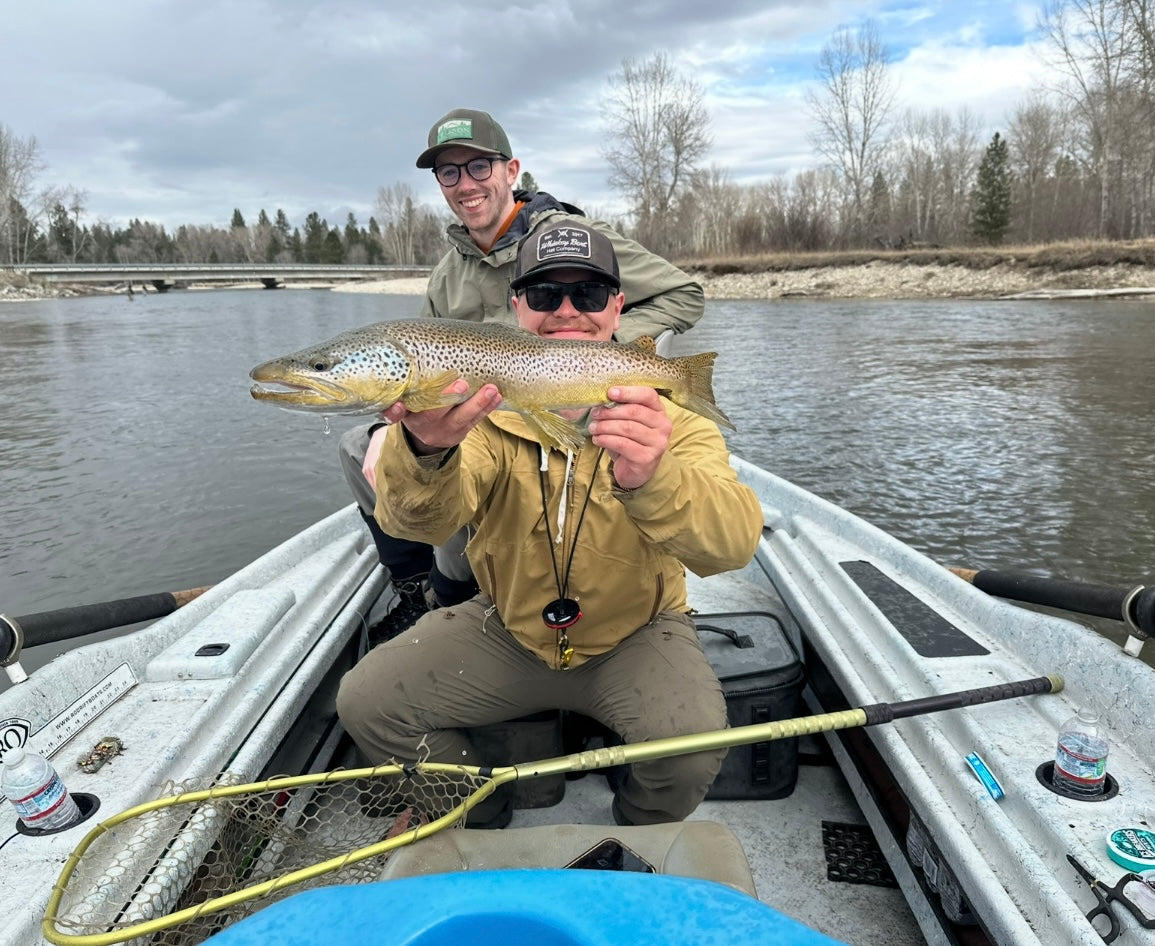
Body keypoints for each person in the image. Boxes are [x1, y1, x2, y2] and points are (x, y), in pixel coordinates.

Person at [336, 222, 761, 828]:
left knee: (689, 748)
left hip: (636, 633)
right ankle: (476, 816)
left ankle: (639, 828)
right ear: (516, 308)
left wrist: (653, 476)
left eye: (587, 295)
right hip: (507, 625)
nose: (567, 311)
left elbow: (733, 546)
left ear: (618, 307)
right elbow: (419, 524)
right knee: (366, 702)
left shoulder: (672, 422)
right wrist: (423, 451)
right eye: (543, 296)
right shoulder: (480, 414)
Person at [338, 107, 705, 643]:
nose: (465, 184)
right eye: (449, 173)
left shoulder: (572, 241)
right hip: (489, 415)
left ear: (512, 171)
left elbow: (685, 293)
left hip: (573, 409)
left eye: (479, 167)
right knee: (361, 446)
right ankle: (421, 590)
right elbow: (420, 373)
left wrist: (600, 355)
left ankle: (461, 590)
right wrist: (395, 435)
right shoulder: (448, 274)